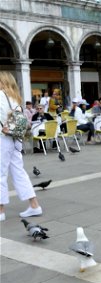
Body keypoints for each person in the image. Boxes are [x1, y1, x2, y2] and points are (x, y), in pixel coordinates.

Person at [0, 72, 43, 221]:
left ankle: (0, 211)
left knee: (0, 174)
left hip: (3, 138)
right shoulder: (15, 98)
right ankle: (34, 205)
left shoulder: (0, 96)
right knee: (19, 171)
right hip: (15, 139)